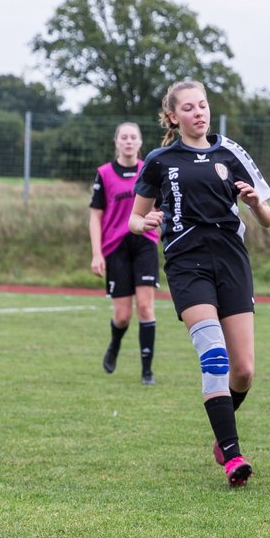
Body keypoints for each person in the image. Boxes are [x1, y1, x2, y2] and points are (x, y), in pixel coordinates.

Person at [128, 80, 270, 487]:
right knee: (214, 355)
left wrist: (255, 205)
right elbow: (133, 219)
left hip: (231, 261)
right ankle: (233, 456)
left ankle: (221, 431)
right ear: (174, 116)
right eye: (189, 108)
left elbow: (267, 220)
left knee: (243, 371)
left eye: (203, 105)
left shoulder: (231, 152)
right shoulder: (159, 160)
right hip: (186, 263)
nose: (199, 113)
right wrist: (147, 222)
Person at [89, 121, 158, 384]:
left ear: (140, 143)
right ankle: (115, 344)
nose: (129, 141)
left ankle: (147, 371)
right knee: (122, 315)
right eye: (124, 137)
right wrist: (97, 254)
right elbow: (95, 217)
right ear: (116, 142)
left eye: (133, 137)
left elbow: (161, 206)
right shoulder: (104, 173)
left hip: (145, 243)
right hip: (115, 247)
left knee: (145, 307)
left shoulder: (149, 171)